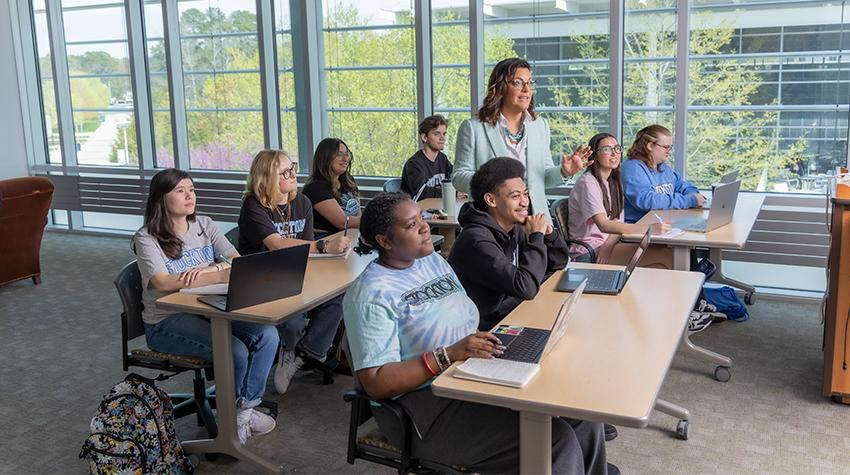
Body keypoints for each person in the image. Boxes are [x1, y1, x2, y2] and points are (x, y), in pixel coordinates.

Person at [343, 192, 614, 475]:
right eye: (411, 225)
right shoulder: (370, 295)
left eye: (422, 218)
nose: (425, 227)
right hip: (426, 410)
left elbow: (461, 320)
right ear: (384, 242)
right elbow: (375, 382)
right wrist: (448, 355)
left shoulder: (429, 261)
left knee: (581, 414)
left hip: (470, 374)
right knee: (555, 442)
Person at [132, 168, 278, 445]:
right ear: (161, 199)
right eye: (180, 191)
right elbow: (163, 283)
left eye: (192, 189)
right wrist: (216, 272)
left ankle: (244, 409)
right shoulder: (147, 237)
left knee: (267, 333)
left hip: (207, 306)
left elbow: (235, 260)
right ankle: (228, 420)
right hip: (167, 320)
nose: (189, 196)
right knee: (234, 351)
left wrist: (211, 270)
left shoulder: (205, 224)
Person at [237, 149, 349, 394]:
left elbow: (306, 247)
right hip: (262, 278)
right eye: (284, 172)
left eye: (292, 168)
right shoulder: (253, 205)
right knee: (294, 312)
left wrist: (320, 255)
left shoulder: (301, 202)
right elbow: (276, 244)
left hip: (295, 271)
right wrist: (323, 246)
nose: (292, 175)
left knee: (340, 294)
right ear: (266, 178)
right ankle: (294, 346)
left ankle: (300, 352)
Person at [453, 57, 592, 222]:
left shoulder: (540, 126)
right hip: (493, 220)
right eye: (518, 82)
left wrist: (564, 172)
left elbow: (543, 178)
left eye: (530, 83)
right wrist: (493, 182)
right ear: (500, 88)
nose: (526, 89)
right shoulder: (473, 128)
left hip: (535, 219)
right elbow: (458, 177)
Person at [448, 157, 569, 332]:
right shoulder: (476, 241)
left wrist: (548, 235)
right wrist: (536, 237)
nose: (524, 202)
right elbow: (525, 287)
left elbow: (558, 263)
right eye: (515, 196)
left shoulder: (513, 226)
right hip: (482, 330)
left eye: (525, 194)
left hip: (511, 312)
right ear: (491, 200)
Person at [568, 133, 673, 268]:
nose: (614, 153)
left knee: (663, 258)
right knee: (665, 256)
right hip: (589, 252)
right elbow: (604, 225)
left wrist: (609, 246)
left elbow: (618, 222)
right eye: (606, 149)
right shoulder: (588, 182)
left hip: (607, 247)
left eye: (617, 148)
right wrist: (650, 228)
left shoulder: (614, 181)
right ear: (594, 155)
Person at [621, 124, 704, 223]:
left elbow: (682, 185)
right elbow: (647, 201)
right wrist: (690, 201)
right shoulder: (632, 168)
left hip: (663, 224)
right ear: (650, 146)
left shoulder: (663, 167)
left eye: (670, 147)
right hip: (640, 228)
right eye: (666, 147)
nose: (669, 152)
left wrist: (693, 194)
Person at [303, 138, 361, 234]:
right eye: (339, 154)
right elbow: (342, 222)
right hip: (327, 240)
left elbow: (357, 216)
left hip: (350, 235)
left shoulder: (348, 180)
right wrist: (371, 221)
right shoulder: (315, 188)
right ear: (325, 158)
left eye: (347, 154)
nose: (346, 159)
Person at [401, 114, 453, 200]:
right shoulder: (413, 164)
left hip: (435, 208)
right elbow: (422, 193)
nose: (442, 138)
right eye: (437, 134)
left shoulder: (442, 158)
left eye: (444, 134)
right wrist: (451, 193)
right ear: (425, 137)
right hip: (416, 211)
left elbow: (454, 178)